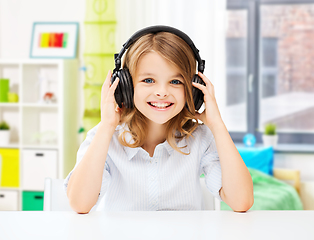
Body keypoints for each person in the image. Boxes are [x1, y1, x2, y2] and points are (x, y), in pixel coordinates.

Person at [64, 26, 253, 213]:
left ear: (193, 89)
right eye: (148, 80)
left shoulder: (201, 138)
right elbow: (80, 204)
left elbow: (241, 201)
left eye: (176, 82)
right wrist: (106, 126)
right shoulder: (105, 137)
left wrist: (217, 125)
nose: (162, 92)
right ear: (125, 87)